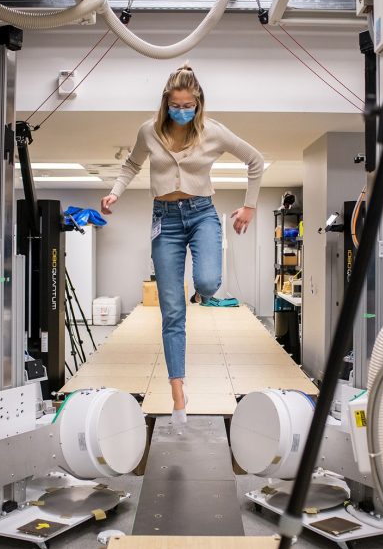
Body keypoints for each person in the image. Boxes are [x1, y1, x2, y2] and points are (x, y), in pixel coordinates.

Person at [100, 64, 265, 425]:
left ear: (198, 103)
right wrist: (114, 193)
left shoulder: (213, 133)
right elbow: (130, 165)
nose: (182, 110)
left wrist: (250, 205)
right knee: (172, 310)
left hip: (202, 213)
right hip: (165, 220)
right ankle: (178, 391)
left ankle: (203, 298)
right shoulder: (149, 131)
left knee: (207, 283)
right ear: (166, 103)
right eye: (176, 105)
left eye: (188, 105)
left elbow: (256, 160)